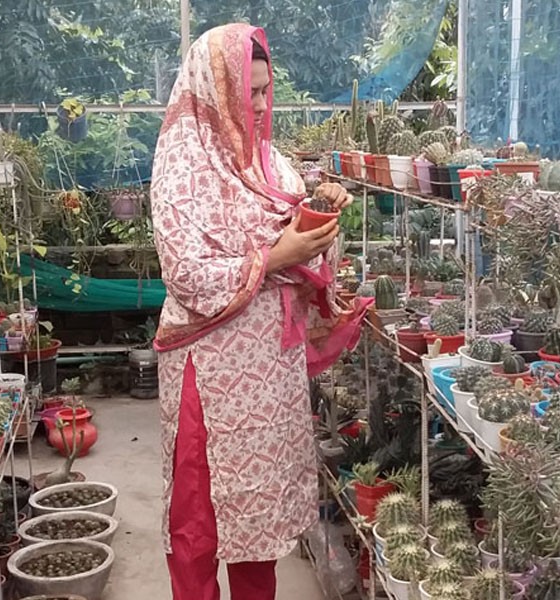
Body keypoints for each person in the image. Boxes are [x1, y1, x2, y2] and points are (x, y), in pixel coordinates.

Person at [150, 23, 369, 600]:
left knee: (259, 519)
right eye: (248, 92)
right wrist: (280, 253)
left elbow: (308, 253)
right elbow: (188, 276)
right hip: (211, 369)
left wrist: (321, 213)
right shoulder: (182, 165)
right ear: (213, 88)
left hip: (270, 373)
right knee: (198, 518)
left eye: (266, 90)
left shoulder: (271, 163)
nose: (262, 103)